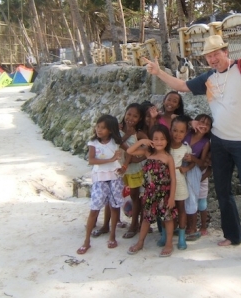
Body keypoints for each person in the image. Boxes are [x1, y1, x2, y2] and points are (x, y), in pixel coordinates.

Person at [143, 35, 241, 267]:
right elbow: (181, 86)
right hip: (220, 141)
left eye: (216, 54)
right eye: (208, 56)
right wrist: (159, 72)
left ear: (225, 51)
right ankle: (233, 235)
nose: (212, 59)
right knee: (222, 191)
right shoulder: (208, 78)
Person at [76, 114, 125, 254]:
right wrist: (111, 159)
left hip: (115, 177)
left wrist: (125, 164)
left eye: (103, 127)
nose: (99, 129)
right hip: (99, 178)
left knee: (115, 207)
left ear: (110, 130)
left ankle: (112, 235)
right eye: (98, 126)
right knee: (94, 208)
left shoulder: (116, 141)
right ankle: (86, 241)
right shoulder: (93, 143)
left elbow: (129, 149)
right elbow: (91, 160)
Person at [126, 124, 177, 257]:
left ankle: (169, 244)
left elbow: (173, 179)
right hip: (149, 194)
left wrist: (171, 197)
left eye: (162, 139)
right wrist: (142, 141)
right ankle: (140, 242)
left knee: (168, 219)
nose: (159, 142)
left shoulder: (168, 158)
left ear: (167, 141)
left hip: (164, 194)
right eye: (156, 138)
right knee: (146, 219)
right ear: (151, 140)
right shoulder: (147, 152)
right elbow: (129, 151)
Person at [158, 115, 193, 250]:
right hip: (164, 182)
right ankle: (165, 236)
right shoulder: (164, 146)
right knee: (164, 208)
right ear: (170, 130)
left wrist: (187, 167)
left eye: (181, 131)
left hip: (179, 182)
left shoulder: (186, 148)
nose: (178, 134)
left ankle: (182, 236)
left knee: (181, 208)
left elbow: (192, 162)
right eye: (175, 130)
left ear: (186, 133)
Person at [117, 103, 148, 239]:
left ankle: (134, 225)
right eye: (129, 114)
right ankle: (128, 221)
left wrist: (136, 159)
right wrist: (126, 134)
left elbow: (148, 148)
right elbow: (115, 143)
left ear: (140, 119)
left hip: (135, 170)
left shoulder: (139, 134)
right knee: (125, 196)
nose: (131, 118)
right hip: (121, 169)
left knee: (136, 197)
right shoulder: (119, 129)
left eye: (135, 116)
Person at [182, 114, 212, 241]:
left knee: (193, 200)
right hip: (180, 168)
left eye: (207, 124)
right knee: (181, 199)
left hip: (194, 171)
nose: (203, 125)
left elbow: (202, 162)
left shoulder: (206, 143)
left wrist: (192, 158)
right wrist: (190, 122)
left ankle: (193, 228)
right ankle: (185, 226)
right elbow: (174, 119)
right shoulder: (187, 133)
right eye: (201, 122)